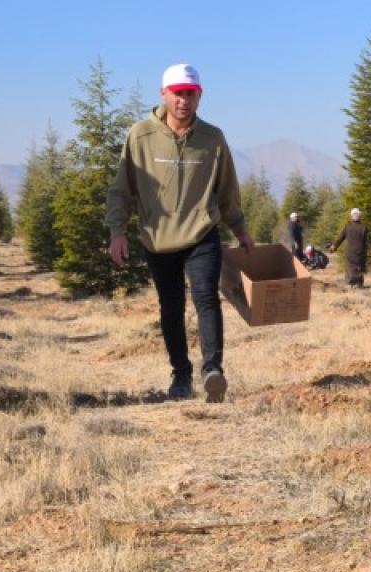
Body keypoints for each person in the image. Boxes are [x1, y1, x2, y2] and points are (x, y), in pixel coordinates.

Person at [106, 63, 252, 403]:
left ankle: (212, 371)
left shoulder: (213, 138)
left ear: (200, 96)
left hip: (202, 233)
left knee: (206, 296)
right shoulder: (140, 135)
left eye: (190, 94)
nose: (184, 101)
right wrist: (117, 231)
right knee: (170, 305)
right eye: (177, 94)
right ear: (164, 94)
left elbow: (227, 190)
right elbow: (121, 189)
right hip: (158, 238)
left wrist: (240, 229)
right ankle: (181, 375)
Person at [329, 208, 369, 288]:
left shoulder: (347, 226)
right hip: (360, 252)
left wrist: (334, 246)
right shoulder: (364, 227)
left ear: (351, 216)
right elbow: (369, 241)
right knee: (359, 267)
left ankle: (351, 284)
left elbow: (340, 238)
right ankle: (358, 284)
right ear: (360, 216)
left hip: (350, 252)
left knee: (350, 268)